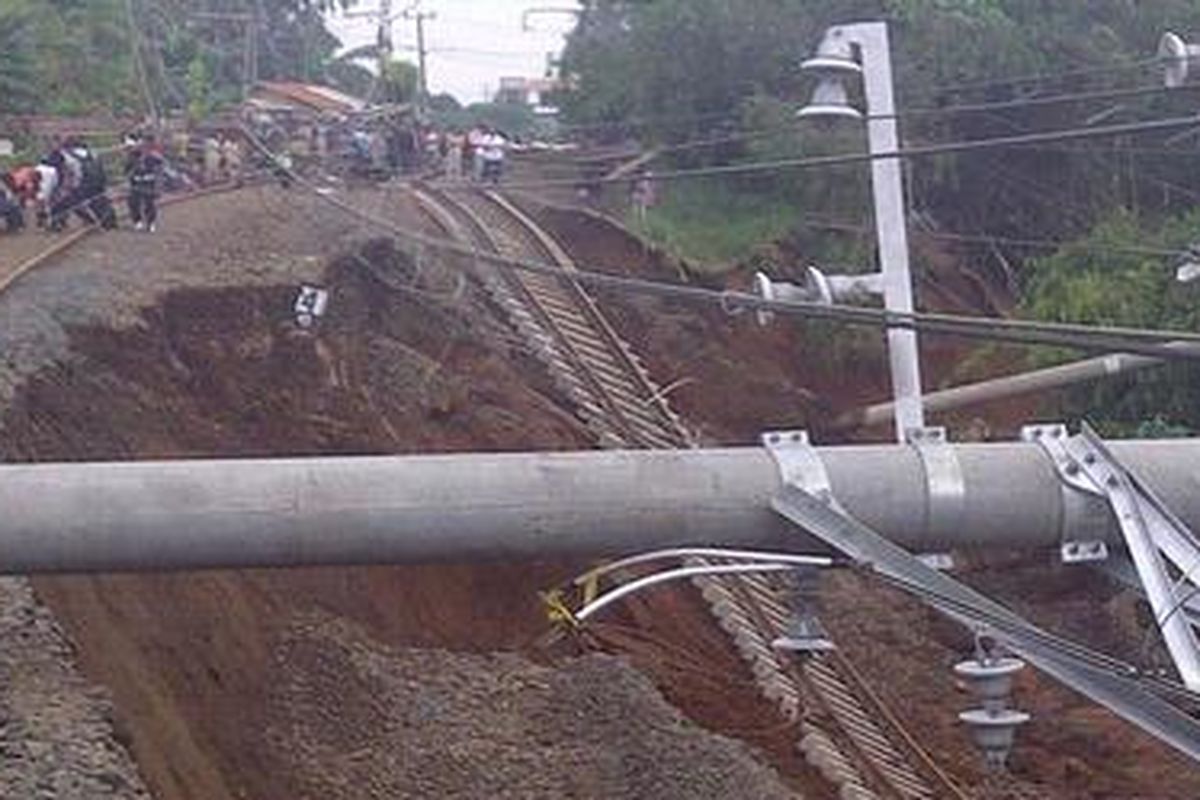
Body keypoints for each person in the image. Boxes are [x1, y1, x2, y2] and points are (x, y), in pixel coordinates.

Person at [67, 138, 117, 229]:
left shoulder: (70, 156)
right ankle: (109, 222)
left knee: (72, 203)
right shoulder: (93, 154)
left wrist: (73, 186)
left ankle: (90, 221)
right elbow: (101, 169)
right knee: (100, 202)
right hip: (98, 183)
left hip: (84, 184)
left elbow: (75, 174)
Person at [124, 133, 164, 232]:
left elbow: (160, 167)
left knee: (149, 204)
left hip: (149, 182)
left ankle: (151, 223)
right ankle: (138, 221)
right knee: (133, 202)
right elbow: (127, 170)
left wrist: (158, 183)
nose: (144, 145)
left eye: (147, 143)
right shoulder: (133, 156)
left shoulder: (154, 156)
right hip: (136, 182)